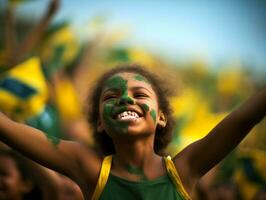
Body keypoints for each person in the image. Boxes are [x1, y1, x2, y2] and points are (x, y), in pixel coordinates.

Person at [0, 64, 265, 200]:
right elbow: (7, 128)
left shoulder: (184, 170)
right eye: (111, 96)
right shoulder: (88, 167)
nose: (126, 99)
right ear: (100, 123)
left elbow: (244, 118)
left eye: (140, 94)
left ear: (161, 117)